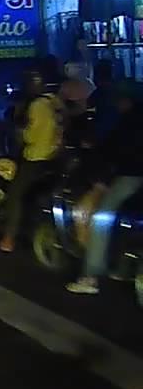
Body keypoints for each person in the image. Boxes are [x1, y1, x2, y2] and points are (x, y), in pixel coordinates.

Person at [67, 82, 143, 294]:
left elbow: (117, 151)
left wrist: (102, 172)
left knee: (101, 217)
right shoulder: (128, 119)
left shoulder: (130, 121)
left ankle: (90, 276)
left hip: (132, 177)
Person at [0, 68, 64, 253]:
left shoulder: (37, 105)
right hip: (56, 156)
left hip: (37, 157)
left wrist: (21, 133)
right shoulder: (54, 101)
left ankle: (8, 239)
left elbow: (32, 135)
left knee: (15, 195)